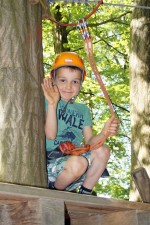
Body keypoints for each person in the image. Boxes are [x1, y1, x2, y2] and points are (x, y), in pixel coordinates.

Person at [41, 52, 119, 195]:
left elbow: (90, 142)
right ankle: (54, 191)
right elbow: (50, 135)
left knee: (103, 150)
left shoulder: (83, 110)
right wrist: (52, 104)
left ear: (80, 84)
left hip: (75, 164)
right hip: (52, 166)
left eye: (75, 81)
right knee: (79, 163)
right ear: (53, 80)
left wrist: (104, 133)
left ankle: (85, 193)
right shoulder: (47, 102)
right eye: (63, 80)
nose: (69, 86)